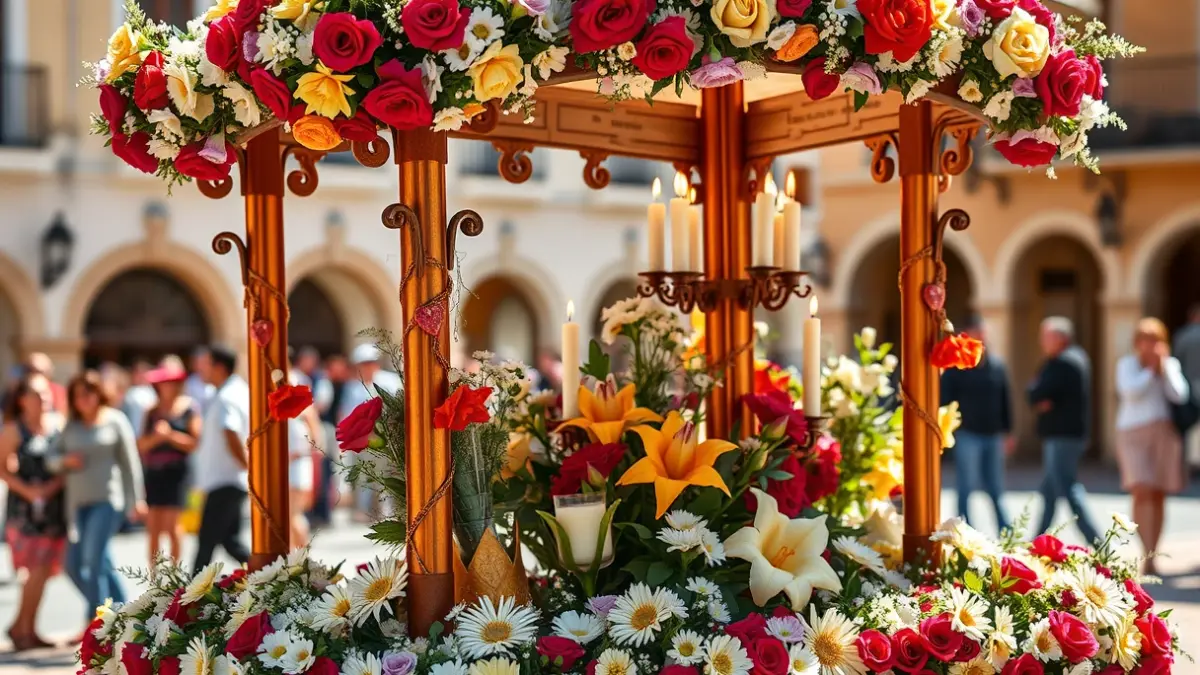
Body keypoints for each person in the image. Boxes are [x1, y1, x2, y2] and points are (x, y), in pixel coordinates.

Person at [54, 371, 145, 622]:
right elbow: (51, 459)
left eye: (88, 393)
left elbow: (130, 463)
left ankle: (96, 624)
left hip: (108, 501)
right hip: (77, 505)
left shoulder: (115, 420)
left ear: (98, 394)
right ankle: (125, 612)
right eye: (78, 396)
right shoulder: (69, 426)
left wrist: (137, 499)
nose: (84, 400)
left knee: (93, 563)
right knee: (74, 565)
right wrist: (65, 461)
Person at [1115, 318, 1190, 573]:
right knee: (1141, 488)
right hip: (1133, 433)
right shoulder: (1127, 365)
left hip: (1163, 432)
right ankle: (1144, 547)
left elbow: (1180, 394)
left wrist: (1164, 368)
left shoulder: (1169, 365)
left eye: (1155, 340)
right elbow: (1130, 392)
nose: (1150, 346)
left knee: (1158, 493)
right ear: (1137, 343)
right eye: (1145, 340)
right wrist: (1149, 371)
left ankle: (1152, 554)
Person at [0, 374, 66, 651]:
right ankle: (20, 627)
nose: (45, 399)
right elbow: (2, 468)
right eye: (38, 395)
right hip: (24, 511)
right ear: (23, 400)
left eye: (46, 394)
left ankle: (27, 627)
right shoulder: (14, 430)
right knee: (33, 569)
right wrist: (29, 491)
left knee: (44, 571)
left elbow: (68, 465)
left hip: (52, 509)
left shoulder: (58, 426)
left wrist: (52, 487)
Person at [1027, 316, 1100, 544]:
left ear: (1060, 338)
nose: (1042, 342)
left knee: (1068, 490)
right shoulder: (1073, 358)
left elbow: (1035, 392)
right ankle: (1035, 543)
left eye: (1045, 336)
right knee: (1049, 493)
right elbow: (1036, 393)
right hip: (1066, 435)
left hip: (1062, 437)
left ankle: (1099, 543)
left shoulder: (1063, 363)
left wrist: (1039, 395)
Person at [940, 316, 1013, 534]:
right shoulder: (957, 366)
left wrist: (1009, 432)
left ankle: (1005, 530)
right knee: (966, 485)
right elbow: (945, 399)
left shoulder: (997, 365)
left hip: (993, 435)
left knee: (995, 487)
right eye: (977, 333)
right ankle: (964, 530)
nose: (981, 337)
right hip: (968, 434)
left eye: (983, 333)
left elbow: (1005, 399)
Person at [192, 345, 251, 570]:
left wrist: (247, 467)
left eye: (205, 363)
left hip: (226, 481)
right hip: (226, 480)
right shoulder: (229, 391)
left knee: (206, 544)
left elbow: (230, 432)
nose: (200, 369)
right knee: (230, 542)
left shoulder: (227, 396)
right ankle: (268, 579)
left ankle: (189, 599)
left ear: (219, 367)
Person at [136, 359, 200, 566]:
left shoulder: (189, 408)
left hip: (177, 473)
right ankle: (154, 577)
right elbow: (141, 445)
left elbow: (194, 442)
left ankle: (175, 574)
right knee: (153, 527)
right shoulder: (151, 411)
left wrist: (170, 435)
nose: (168, 387)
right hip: (154, 472)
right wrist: (157, 437)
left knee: (173, 526)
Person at [339, 344, 401, 521]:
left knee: (387, 474)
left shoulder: (391, 381)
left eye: (370, 362)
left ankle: (388, 512)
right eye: (363, 363)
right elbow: (346, 413)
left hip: (387, 439)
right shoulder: (353, 386)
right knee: (365, 475)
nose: (367, 367)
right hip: (363, 441)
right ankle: (364, 511)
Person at [287, 370, 322, 549]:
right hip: (286, 466)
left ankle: (303, 558)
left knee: (293, 515)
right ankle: (294, 557)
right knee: (287, 517)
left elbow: (316, 441)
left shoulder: (306, 410)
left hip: (298, 465)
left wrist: (298, 453)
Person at [1175, 304, 1200, 468]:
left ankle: (1192, 463)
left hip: (1189, 387)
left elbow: (1176, 361)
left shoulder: (1183, 336)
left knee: (1191, 427)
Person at [122, 359, 157, 441]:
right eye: (138, 373)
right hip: (131, 434)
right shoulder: (130, 393)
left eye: (143, 373)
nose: (141, 376)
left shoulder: (153, 393)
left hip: (149, 435)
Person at [184, 346, 215, 414]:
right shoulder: (189, 383)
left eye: (204, 362)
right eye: (198, 362)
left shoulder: (214, 380)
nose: (201, 366)